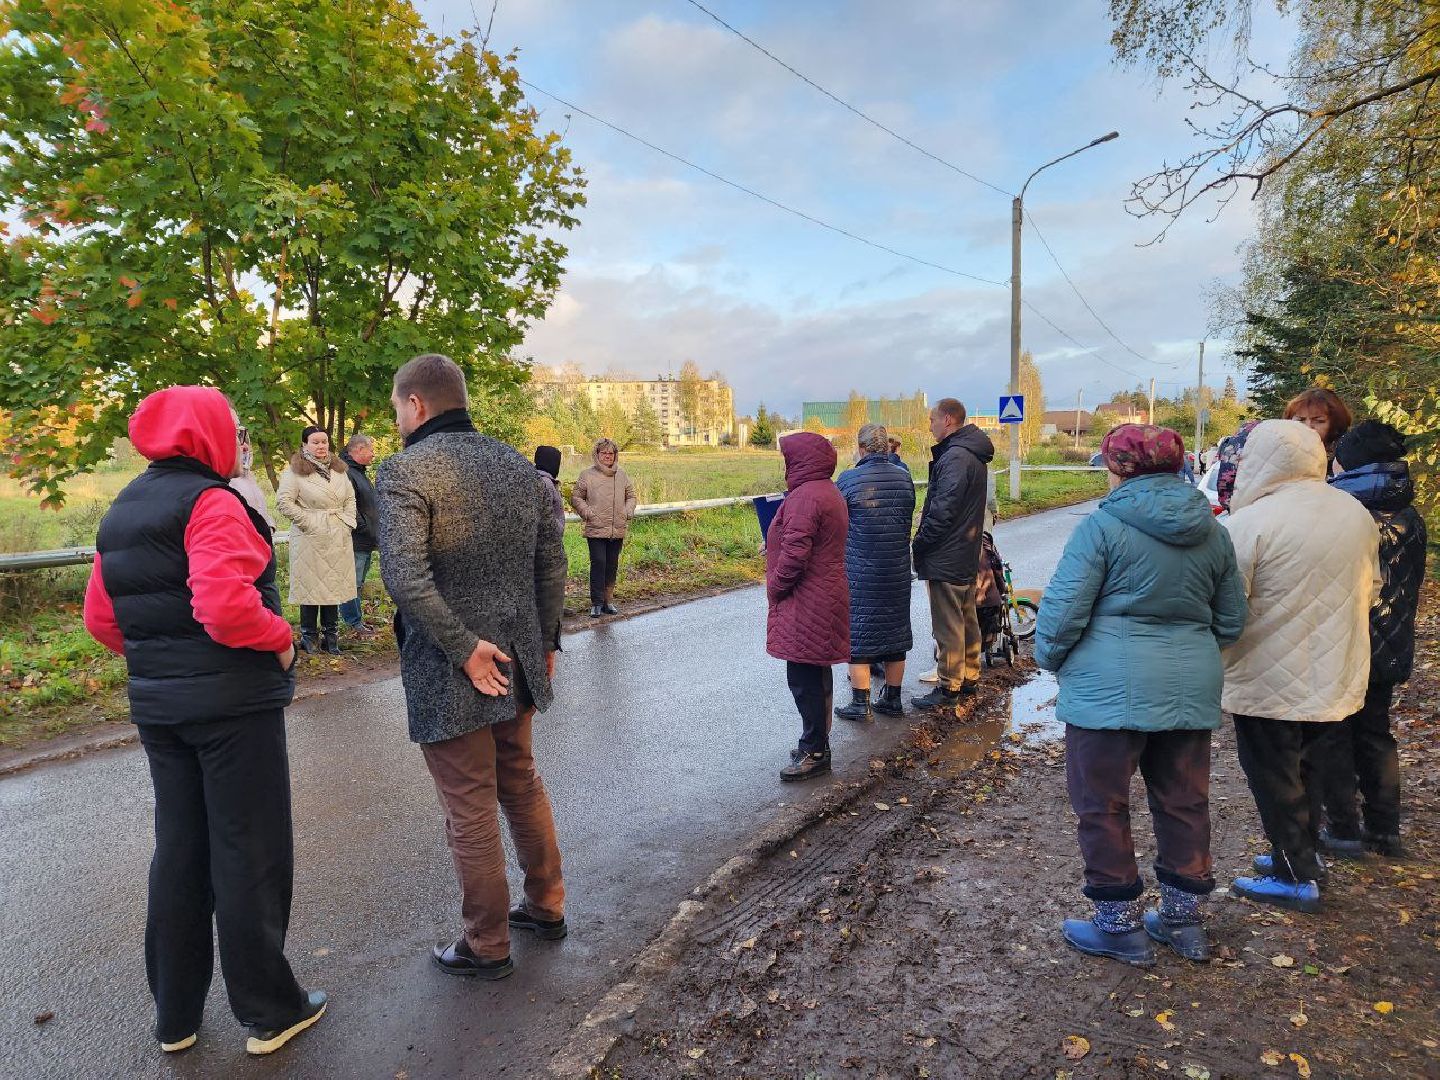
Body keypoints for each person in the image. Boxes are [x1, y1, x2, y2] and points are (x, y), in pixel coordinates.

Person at [82, 386, 325, 1058]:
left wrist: (165, 660)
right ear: (209, 435)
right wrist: (280, 636)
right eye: (233, 429)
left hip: (160, 710)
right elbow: (223, 605)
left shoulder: (123, 509)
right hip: (233, 711)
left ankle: (175, 1016)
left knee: (180, 855)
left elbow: (102, 620)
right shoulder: (212, 503)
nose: (238, 441)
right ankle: (270, 1009)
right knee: (249, 854)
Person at [377, 354, 568, 980]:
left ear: (417, 406)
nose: (397, 419)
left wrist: (462, 647)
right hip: (518, 657)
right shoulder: (519, 466)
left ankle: (487, 945)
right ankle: (546, 904)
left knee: (470, 804)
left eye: (397, 409)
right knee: (520, 781)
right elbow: (551, 563)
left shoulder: (406, 471)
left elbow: (405, 577)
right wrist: (546, 644)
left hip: (453, 665)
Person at [1036, 425, 1247, 966]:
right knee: (1183, 801)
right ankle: (1183, 923)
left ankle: (1118, 927)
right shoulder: (1213, 532)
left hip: (1105, 691)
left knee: (1101, 804)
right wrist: (1190, 653)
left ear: (1119, 468)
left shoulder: (1102, 527)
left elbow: (1061, 614)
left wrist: (1052, 660)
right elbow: (1231, 620)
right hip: (1187, 687)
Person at [1221, 419, 1380, 913]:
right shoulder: (1353, 512)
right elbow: (1371, 589)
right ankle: (1298, 854)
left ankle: (1296, 875)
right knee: (1311, 768)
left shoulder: (1249, 522)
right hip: (1336, 670)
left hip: (1266, 675)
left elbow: (1229, 608)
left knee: (1274, 775)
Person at [1317, 421, 1428, 859]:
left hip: (1349, 639)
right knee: (1376, 734)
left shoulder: (1350, 513)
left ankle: (1343, 828)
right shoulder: (1407, 511)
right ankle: (1385, 830)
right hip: (1391, 639)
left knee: (1334, 735)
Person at [765, 431, 850, 781]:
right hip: (824, 592)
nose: (785, 463)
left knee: (803, 678)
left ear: (800, 459)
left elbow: (796, 555)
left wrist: (775, 587)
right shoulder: (826, 490)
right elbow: (803, 541)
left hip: (807, 597)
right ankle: (815, 742)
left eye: (788, 457)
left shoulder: (805, 496)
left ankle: (815, 751)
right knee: (816, 672)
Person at [910, 398, 994, 711]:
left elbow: (942, 510)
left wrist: (920, 543)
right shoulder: (972, 454)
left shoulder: (955, 457)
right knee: (967, 616)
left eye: (932, 419)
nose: (930, 425)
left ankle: (949, 685)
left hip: (946, 553)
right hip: (964, 551)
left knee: (948, 624)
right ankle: (970, 676)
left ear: (947, 420)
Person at [834, 424, 915, 722]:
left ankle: (860, 702)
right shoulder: (905, 478)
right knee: (895, 631)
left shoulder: (849, 479)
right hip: (895, 568)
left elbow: (837, 520)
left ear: (862, 448)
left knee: (858, 634)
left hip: (859, 569)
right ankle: (893, 698)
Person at [275, 426, 357, 655]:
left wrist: (347, 521)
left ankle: (331, 637)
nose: (321, 446)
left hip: (337, 534)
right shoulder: (294, 472)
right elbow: (284, 503)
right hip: (310, 537)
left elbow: (350, 498)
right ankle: (309, 637)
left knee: (333, 586)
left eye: (324, 442)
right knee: (311, 588)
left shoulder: (339, 470)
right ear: (304, 444)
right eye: (315, 442)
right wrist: (309, 522)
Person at [570, 438, 636, 618]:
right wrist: (588, 513)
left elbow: (631, 496)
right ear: (597, 455)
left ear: (615, 455)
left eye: (611, 453)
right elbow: (576, 497)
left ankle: (608, 601)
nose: (608, 456)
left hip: (617, 528)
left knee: (611, 565)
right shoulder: (587, 475)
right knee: (598, 563)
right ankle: (596, 603)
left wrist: (627, 511)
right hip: (596, 528)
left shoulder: (621, 474)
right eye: (604, 453)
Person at [337, 434, 379, 638]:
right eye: (370, 450)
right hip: (356, 539)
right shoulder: (347, 473)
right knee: (352, 583)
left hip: (365, 538)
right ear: (359, 450)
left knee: (358, 582)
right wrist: (364, 528)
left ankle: (355, 621)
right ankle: (351, 623)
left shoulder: (358, 472)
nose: (373, 454)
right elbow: (349, 507)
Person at [1283, 386, 1352, 468]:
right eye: (1300, 420)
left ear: (1335, 424)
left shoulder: (1347, 456)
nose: (1308, 426)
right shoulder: (1279, 455)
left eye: (1319, 421)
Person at [228, 425, 275, 534]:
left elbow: (260, 508)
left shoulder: (249, 477)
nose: (245, 446)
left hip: (261, 541)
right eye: (239, 439)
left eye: (246, 440)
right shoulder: (228, 479)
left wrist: (270, 526)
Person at [534, 445, 567, 533]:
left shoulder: (537, 479)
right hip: (549, 537)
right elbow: (547, 513)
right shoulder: (546, 483)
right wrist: (558, 529)